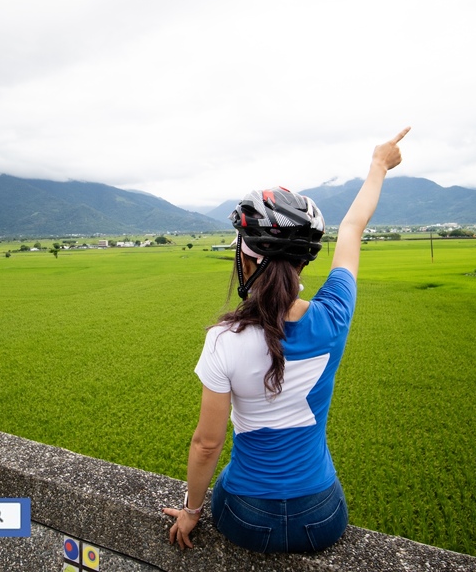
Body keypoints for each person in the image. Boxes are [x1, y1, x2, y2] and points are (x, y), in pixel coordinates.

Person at [164, 127, 410, 554]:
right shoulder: (333, 315)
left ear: (246, 259)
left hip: (245, 514)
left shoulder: (224, 340)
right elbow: (352, 228)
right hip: (323, 514)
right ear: (304, 259)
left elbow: (207, 444)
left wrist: (190, 511)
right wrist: (377, 166)